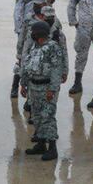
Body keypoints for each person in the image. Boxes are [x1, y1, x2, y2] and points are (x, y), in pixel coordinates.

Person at [21, 21, 65, 161]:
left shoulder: (53, 47)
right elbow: (28, 66)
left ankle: (52, 148)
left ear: (39, 33)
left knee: (48, 118)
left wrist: (52, 89)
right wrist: (23, 84)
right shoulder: (35, 47)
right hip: (34, 88)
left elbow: (56, 70)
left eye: (34, 32)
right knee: (37, 117)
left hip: (46, 88)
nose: (31, 34)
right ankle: (41, 144)